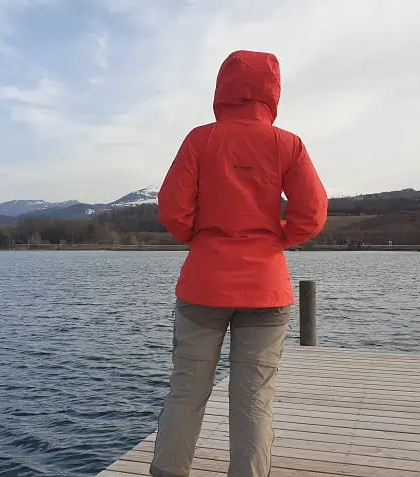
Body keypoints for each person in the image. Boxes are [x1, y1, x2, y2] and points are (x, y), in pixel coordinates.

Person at [150, 50, 328, 477]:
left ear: (223, 88)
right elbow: (313, 213)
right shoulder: (288, 144)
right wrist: (276, 239)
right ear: (272, 91)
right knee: (254, 399)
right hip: (265, 288)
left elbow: (172, 209)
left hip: (203, 285)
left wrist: (199, 238)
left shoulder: (200, 139)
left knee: (186, 392)